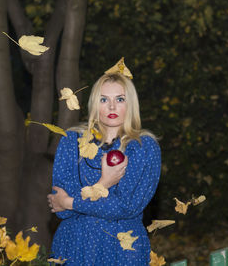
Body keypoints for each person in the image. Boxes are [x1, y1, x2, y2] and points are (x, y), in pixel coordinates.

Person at [47, 69, 161, 265]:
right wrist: (104, 183)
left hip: (122, 249)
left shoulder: (143, 147)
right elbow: (61, 210)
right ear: (94, 104)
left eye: (120, 99)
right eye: (103, 99)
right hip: (74, 246)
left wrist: (71, 202)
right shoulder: (72, 141)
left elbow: (126, 207)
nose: (111, 106)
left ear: (130, 104)